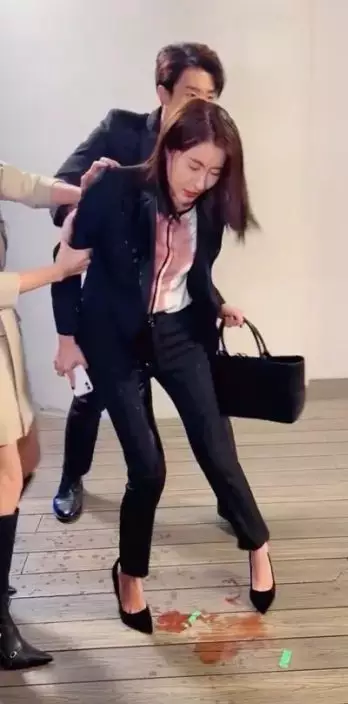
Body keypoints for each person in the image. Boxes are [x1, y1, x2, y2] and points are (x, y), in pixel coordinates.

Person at [53, 99, 276, 633]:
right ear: (168, 150)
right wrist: (66, 339)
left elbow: (193, 273)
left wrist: (217, 303)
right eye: (194, 165)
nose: (201, 182)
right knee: (148, 468)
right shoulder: (114, 188)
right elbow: (67, 267)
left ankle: (258, 546)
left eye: (215, 171)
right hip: (114, 339)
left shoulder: (210, 206)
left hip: (178, 333)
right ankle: (129, 574)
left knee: (216, 448)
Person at [51, 42, 244, 524]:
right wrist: (89, 200)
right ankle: (71, 477)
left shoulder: (207, 148)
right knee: (92, 396)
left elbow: (194, 247)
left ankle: (232, 500)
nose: (202, 106)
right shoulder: (122, 129)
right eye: (192, 94)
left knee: (209, 408)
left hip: (172, 314)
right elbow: (63, 188)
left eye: (211, 97)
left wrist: (214, 299)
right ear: (163, 92)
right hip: (115, 302)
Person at [0, 162, 90, 670]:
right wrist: (59, 271)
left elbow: (27, 186)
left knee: (28, 455)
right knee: (7, 475)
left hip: (3, 342)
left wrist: (86, 192)